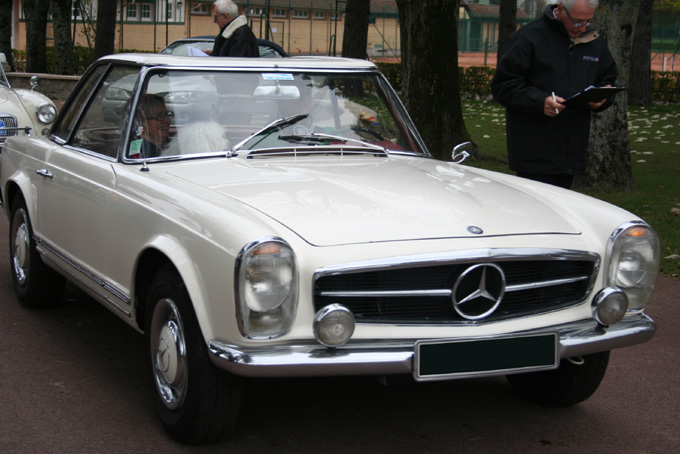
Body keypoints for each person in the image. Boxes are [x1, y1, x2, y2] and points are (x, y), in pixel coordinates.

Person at [491, 0, 618, 189]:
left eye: (588, 21)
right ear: (560, 9)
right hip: (534, 151)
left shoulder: (593, 41)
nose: (583, 27)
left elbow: (608, 78)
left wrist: (603, 98)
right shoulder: (529, 37)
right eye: (577, 21)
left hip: (572, 151)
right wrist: (540, 101)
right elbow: (503, 85)